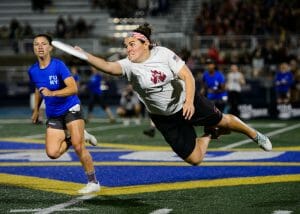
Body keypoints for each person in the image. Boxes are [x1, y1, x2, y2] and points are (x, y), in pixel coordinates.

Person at [73, 23, 272, 165]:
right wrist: (85, 56)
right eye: (125, 46)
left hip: (187, 103)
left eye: (131, 44)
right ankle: (210, 133)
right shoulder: (128, 66)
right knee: (195, 159)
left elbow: (188, 76)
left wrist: (189, 102)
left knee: (225, 121)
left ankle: (255, 135)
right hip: (163, 117)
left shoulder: (163, 54)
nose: (127, 49)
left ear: (145, 43)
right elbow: (107, 66)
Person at [28, 34, 100, 194]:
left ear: (50, 48)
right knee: (52, 153)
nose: (40, 47)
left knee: (78, 146)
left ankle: (93, 181)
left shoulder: (58, 65)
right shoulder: (32, 70)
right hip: (53, 114)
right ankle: (80, 134)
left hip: (70, 108)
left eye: (43, 44)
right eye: (36, 44)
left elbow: (73, 88)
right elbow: (38, 89)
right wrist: (36, 111)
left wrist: (53, 94)